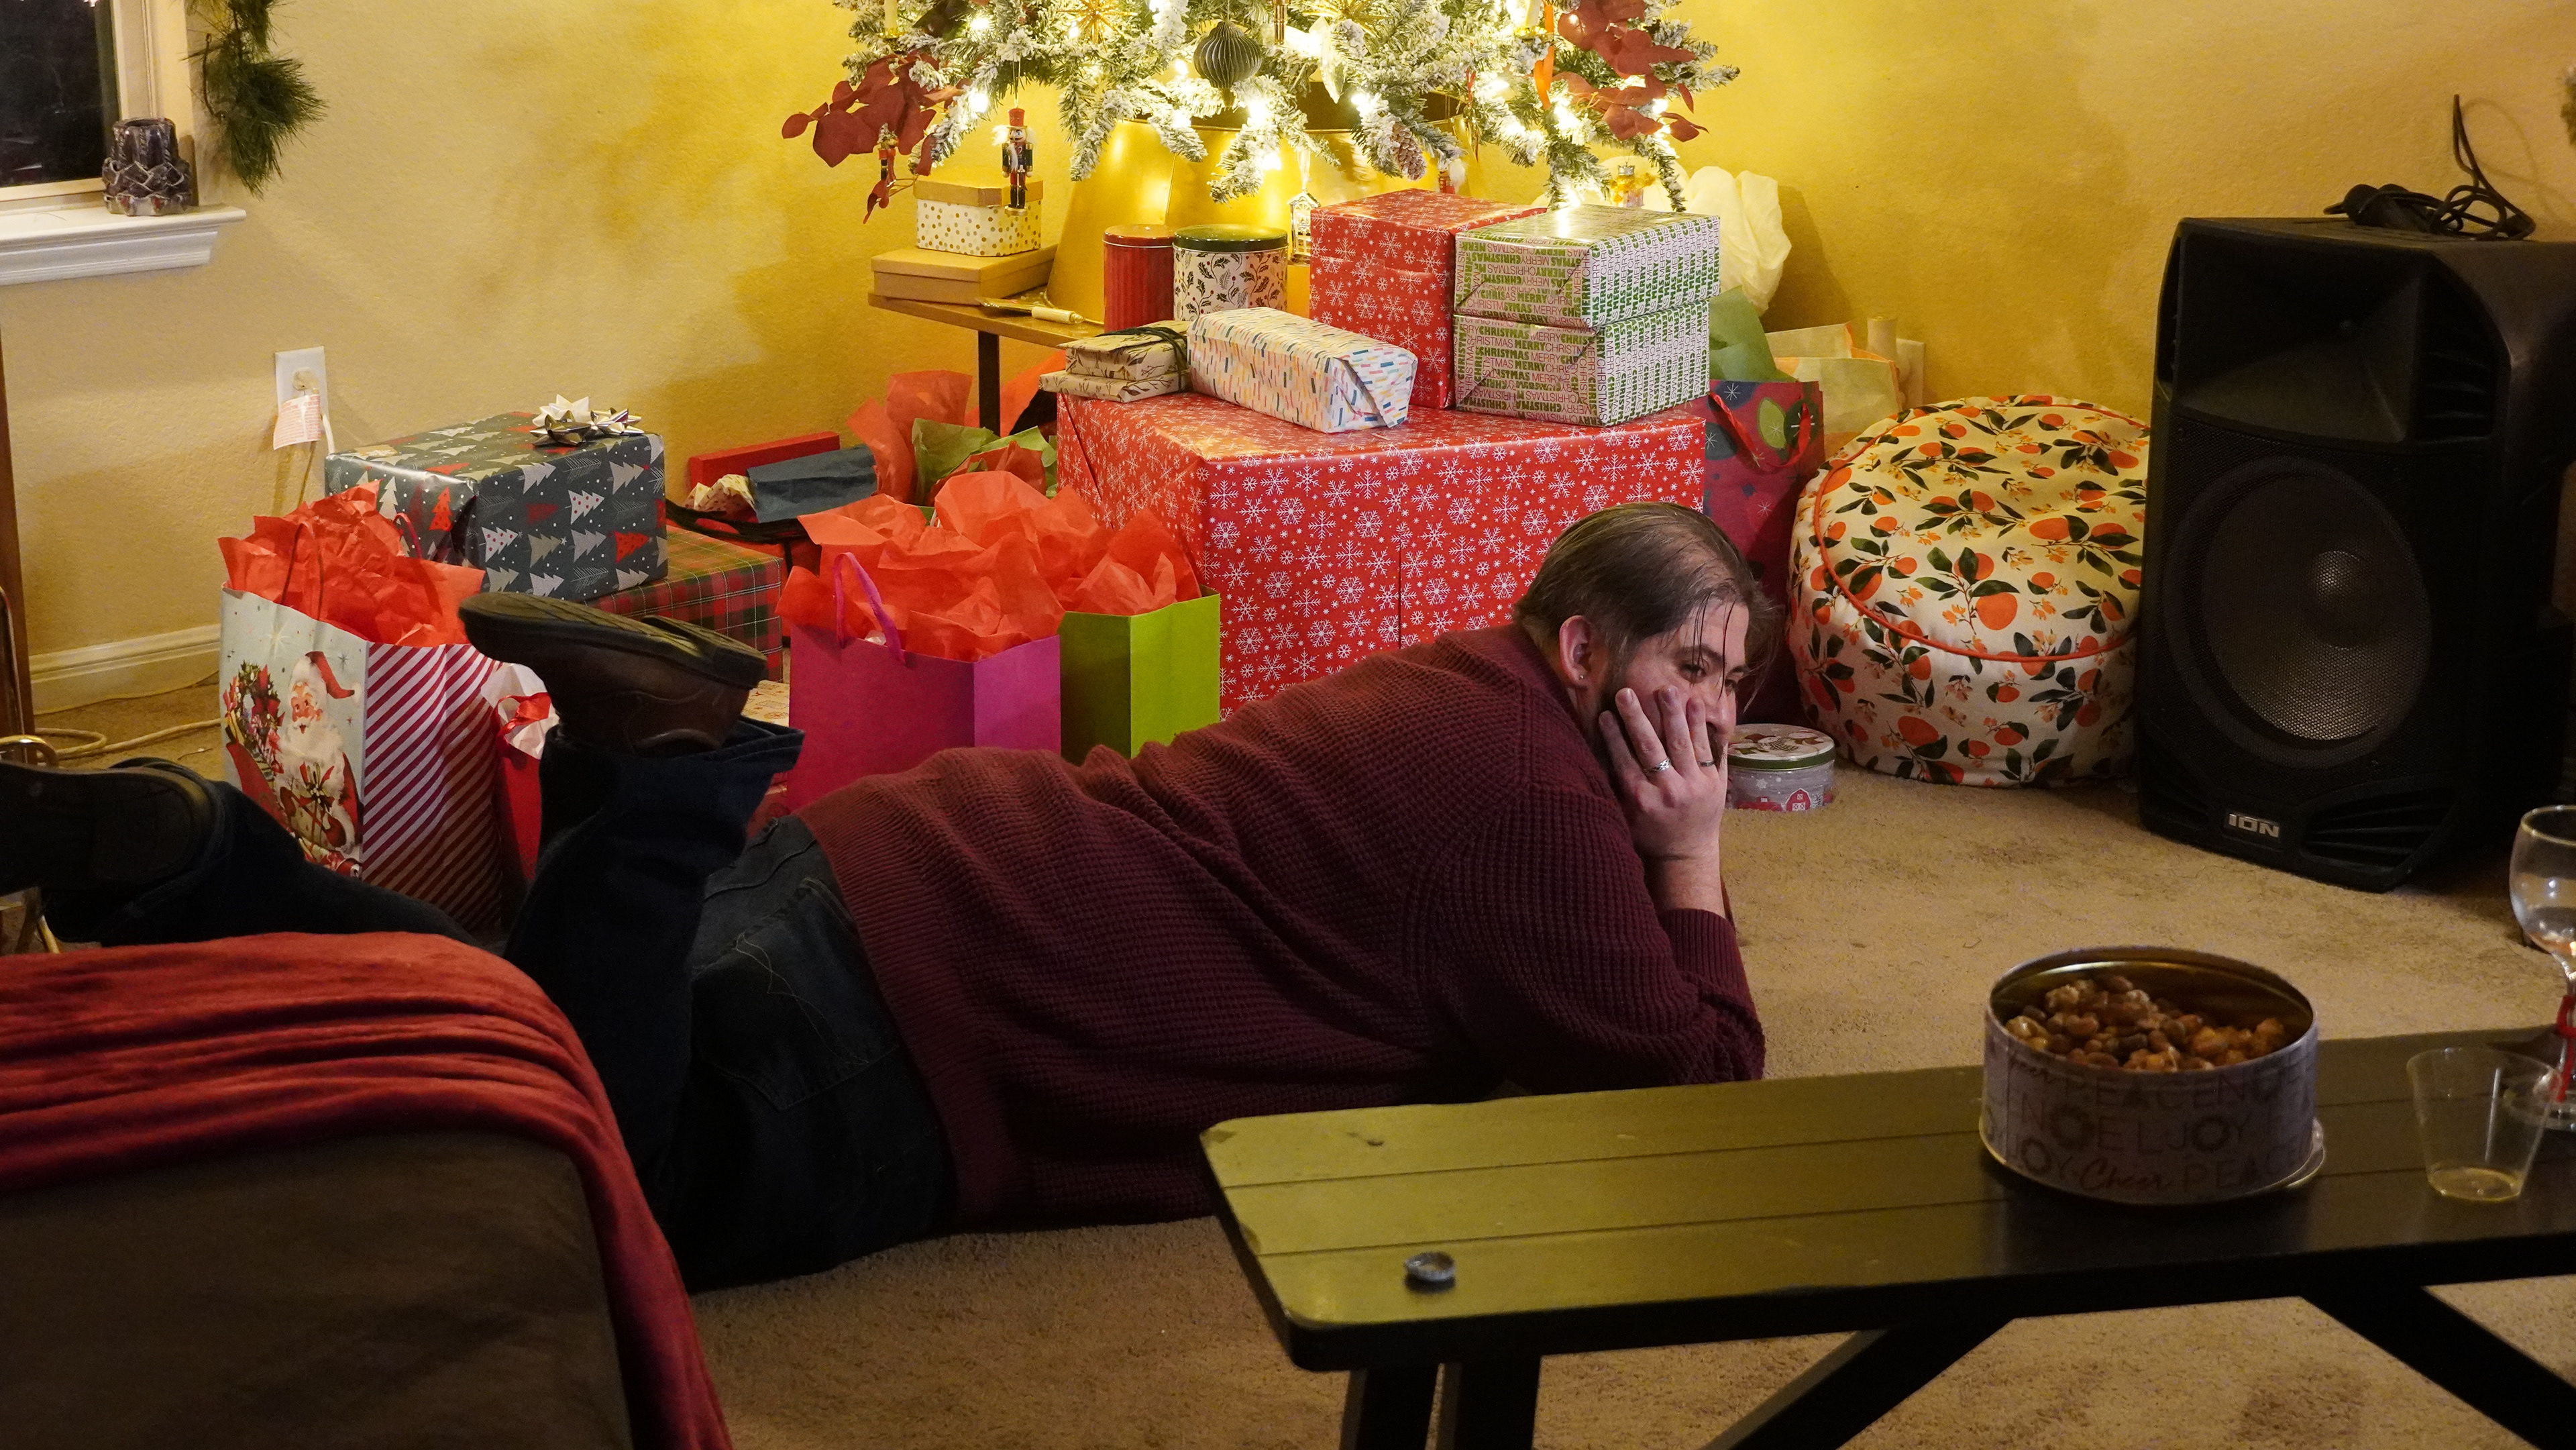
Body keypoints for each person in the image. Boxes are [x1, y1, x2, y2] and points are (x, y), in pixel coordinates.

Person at [0, 501, 1777, 1289]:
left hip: (911, 856)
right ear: (1580, 645)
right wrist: (1691, 858)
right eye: (1698, 667)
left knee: (510, 1021)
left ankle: (195, 864)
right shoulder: (1543, 803)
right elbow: (1694, 1095)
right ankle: (664, 777)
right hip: (934, 1029)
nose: (1717, 716)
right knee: (614, 1178)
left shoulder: (1449, 686)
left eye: (1737, 691)